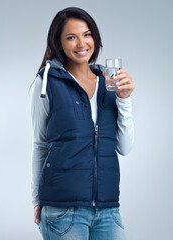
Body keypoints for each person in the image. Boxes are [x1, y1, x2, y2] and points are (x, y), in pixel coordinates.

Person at [29, 6, 135, 240]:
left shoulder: (109, 83)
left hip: (108, 209)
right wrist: (37, 200)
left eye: (87, 34)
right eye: (71, 37)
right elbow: (40, 145)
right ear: (58, 42)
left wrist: (125, 100)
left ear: (95, 38)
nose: (81, 43)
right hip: (62, 210)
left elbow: (124, 148)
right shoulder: (46, 83)